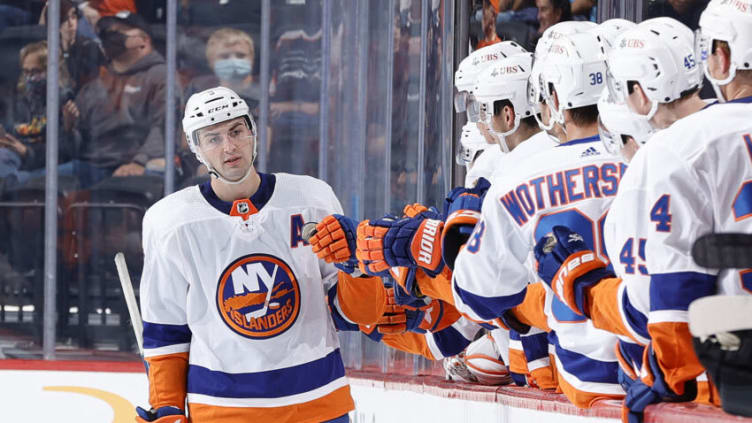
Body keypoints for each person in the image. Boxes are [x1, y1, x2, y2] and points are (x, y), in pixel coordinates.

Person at [534, 2, 752, 418]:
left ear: (723, 57)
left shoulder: (674, 150)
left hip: (725, 386)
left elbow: (661, 306)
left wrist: (581, 287)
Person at [137, 86, 394, 422]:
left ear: (253, 132)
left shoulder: (312, 198)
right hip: (223, 410)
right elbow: (166, 328)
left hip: (317, 402)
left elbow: (357, 315)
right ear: (195, 148)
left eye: (236, 131)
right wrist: (167, 406)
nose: (229, 147)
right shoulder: (171, 221)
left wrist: (358, 268)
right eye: (212, 138)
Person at [62, 10, 167, 187]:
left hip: (134, 168)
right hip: (88, 167)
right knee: (36, 184)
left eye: (116, 33)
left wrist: (139, 162)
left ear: (143, 40)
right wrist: (69, 127)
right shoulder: (96, 83)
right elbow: (78, 140)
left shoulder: (160, 75)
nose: (109, 38)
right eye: (106, 34)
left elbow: (165, 126)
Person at [0, 41, 74, 187]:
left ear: (52, 70)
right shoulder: (19, 97)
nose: (30, 78)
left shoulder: (65, 99)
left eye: (35, 72)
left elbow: (64, 151)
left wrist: (26, 152)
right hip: (14, 156)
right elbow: (13, 130)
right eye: (26, 72)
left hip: (41, 161)